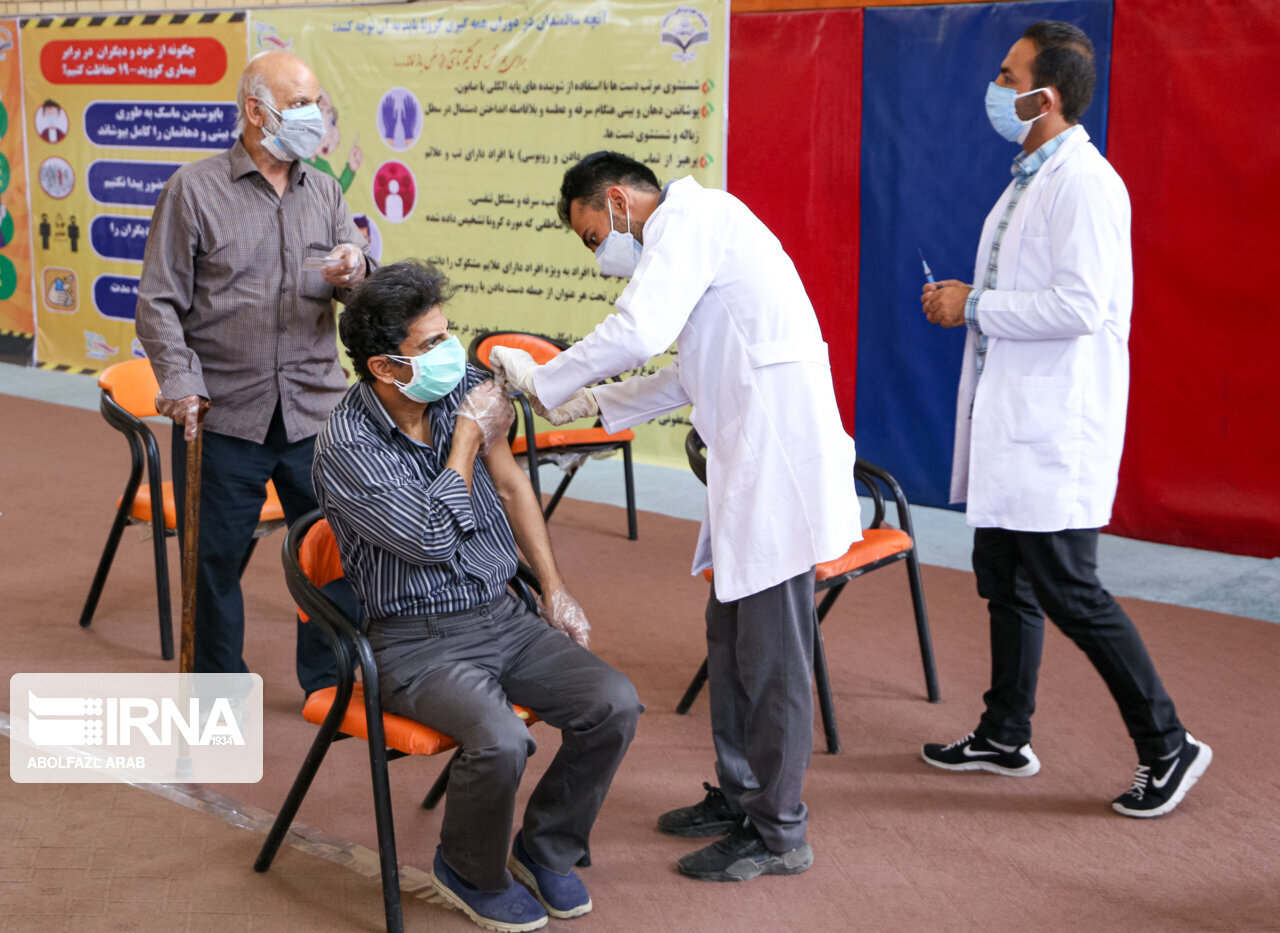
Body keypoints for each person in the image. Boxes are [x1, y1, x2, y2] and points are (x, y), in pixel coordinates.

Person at [491, 152, 858, 882]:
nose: (600, 254)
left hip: (780, 467)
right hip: (750, 463)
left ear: (618, 200)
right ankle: (741, 795)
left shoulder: (697, 219)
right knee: (731, 635)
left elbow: (637, 332)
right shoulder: (690, 238)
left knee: (774, 657)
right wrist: (590, 402)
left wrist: (548, 377)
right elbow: (685, 373)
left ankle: (778, 830)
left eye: (594, 236)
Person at [918, 21, 1210, 817]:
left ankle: (1169, 743)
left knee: (1071, 591)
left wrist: (975, 304)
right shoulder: (1028, 178)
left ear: (1043, 98)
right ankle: (1004, 732)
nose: (995, 87)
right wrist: (971, 303)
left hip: (1055, 428)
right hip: (1014, 417)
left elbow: (1082, 306)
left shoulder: (1086, 184)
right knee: (1005, 578)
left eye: (1007, 77)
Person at [313, 259, 641, 932]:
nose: (451, 351)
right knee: (500, 741)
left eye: (447, 332)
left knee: (612, 702)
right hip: (414, 640)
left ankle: (543, 848)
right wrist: (465, 437)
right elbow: (432, 537)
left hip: (503, 614)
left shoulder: (461, 385)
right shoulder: (345, 446)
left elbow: (513, 487)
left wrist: (555, 590)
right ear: (383, 367)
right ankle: (468, 869)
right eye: (431, 342)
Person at [135, 50, 374, 696]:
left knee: (333, 549)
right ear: (256, 111)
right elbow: (157, 302)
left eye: (317, 104)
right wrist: (181, 380)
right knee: (213, 563)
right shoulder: (193, 190)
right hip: (224, 412)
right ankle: (219, 692)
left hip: (314, 410)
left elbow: (359, 291)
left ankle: (329, 680)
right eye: (299, 105)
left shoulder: (324, 191)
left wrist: (357, 270)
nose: (314, 116)